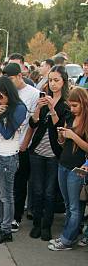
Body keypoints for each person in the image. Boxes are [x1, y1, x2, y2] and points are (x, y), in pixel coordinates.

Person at [0, 76, 27, 244]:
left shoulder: (19, 108)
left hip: (8, 156)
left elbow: (7, 133)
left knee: (6, 196)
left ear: (9, 93)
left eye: (0, 96)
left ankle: (6, 229)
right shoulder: (0, 108)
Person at [28, 66, 69, 241]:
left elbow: (59, 127)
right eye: (50, 80)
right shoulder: (43, 98)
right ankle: (36, 224)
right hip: (37, 150)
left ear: (64, 82)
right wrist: (38, 108)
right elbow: (32, 123)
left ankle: (46, 226)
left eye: (56, 80)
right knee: (37, 190)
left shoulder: (66, 103)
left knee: (49, 192)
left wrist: (52, 109)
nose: (52, 84)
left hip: (54, 153)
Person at [48, 87, 88, 251]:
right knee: (68, 204)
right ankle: (68, 235)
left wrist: (73, 136)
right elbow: (63, 144)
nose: (71, 109)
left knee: (75, 206)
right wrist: (62, 136)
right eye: (70, 105)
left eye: (75, 106)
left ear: (84, 104)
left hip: (77, 168)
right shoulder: (70, 117)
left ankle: (67, 240)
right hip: (63, 164)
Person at [3, 62, 40, 232]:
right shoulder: (7, 92)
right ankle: (6, 214)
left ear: (19, 76)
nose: (9, 83)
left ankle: (16, 217)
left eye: (11, 79)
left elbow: (33, 122)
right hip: (6, 144)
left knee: (19, 183)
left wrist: (25, 143)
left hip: (23, 146)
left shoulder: (33, 93)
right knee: (6, 183)